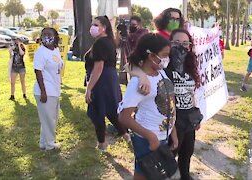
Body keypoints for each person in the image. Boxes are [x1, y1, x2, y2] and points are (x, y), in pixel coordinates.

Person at [130, 29, 202, 180]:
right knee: (165, 159)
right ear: (169, 44)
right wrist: (142, 75)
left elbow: (191, 92)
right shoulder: (162, 66)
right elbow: (132, 67)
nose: (181, 47)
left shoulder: (190, 66)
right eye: (176, 43)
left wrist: (195, 112)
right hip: (167, 120)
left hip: (187, 119)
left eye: (185, 44)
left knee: (187, 153)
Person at [118, 33, 178, 180]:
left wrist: (173, 134)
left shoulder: (161, 73)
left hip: (162, 136)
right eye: (164, 55)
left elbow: (169, 106)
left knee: (157, 175)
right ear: (151, 56)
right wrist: (150, 136)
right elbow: (124, 117)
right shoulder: (138, 84)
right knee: (145, 173)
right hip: (147, 139)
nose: (166, 59)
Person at [85, 15, 129, 151]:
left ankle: (102, 143)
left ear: (103, 28)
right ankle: (125, 135)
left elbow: (98, 67)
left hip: (101, 80)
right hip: (110, 79)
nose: (92, 27)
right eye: (92, 24)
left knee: (98, 110)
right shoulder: (108, 41)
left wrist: (89, 88)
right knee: (111, 110)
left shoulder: (100, 43)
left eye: (96, 25)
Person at [33, 27, 63, 150]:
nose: (47, 37)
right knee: (50, 119)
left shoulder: (55, 50)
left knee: (50, 118)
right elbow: (38, 71)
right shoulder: (40, 52)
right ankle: (50, 145)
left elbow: (58, 67)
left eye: (49, 34)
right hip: (45, 91)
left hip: (54, 90)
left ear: (55, 36)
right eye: (44, 35)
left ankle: (44, 143)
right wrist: (43, 92)